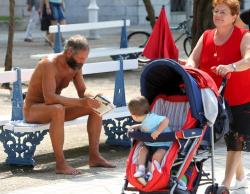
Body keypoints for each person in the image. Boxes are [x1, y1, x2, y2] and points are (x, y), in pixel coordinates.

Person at [23, 34, 115, 175]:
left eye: (85, 59)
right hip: (33, 110)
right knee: (57, 109)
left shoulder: (76, 65)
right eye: (80, 58)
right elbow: (49, 98)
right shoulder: (48, 64)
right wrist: (81, 102)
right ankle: (60, 164)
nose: (82, 62)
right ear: (69, 52)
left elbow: (82, 91)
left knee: (95, 107)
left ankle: (95, 157)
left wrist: (96, 97)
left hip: (55, 108)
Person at [185, 0, 250, 190]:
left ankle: (225, 185)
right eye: (215, 11)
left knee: (236, 137)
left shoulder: (244, 35)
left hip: (240, 97)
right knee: (230, 136)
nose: (218, 15)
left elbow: (248, 59)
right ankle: (241, 177)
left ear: (234, 16)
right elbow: (193, 59)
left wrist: (231, 67)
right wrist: (189, 68)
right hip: (212, 96)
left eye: (223, 12)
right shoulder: (206, 36)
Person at [128, 96, 172, 185]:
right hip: (149, 144)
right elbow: (145, 126)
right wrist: (136, 127)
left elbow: (166, 120)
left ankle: (152, 173)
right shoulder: (145, 120)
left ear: (133, 116)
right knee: (142, 151)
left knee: (157, 156)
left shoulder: (152, 118)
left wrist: (158, 131)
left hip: (163, 143)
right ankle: (141, 169)